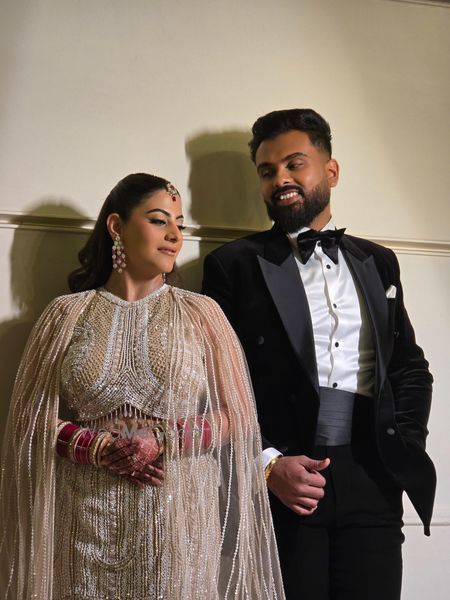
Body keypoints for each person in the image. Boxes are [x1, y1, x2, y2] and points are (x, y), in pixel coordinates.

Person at [0, 173, 285, 600]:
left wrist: (162, 439)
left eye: (179, 225)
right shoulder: (66, 315)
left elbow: (239, 415)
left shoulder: (202, 314)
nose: (174, 235)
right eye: (158, 220)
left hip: (177, 519)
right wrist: (96, 446)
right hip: (85, 518)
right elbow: (30, 421)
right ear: (117, 226)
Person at [202, 109, 436, 600]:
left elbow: (409, 367)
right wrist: (267, 465)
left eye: (294, 164)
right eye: (267, 171)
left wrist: (403, 443)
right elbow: (212, 384)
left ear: (330, 171)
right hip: (288, 481)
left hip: (373, 476)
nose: (280, 180)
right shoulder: (232, 265)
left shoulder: (379, 261)